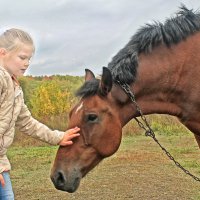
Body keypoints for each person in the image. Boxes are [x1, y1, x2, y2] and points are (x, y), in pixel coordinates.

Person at [0, 28, 80, 199]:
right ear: (3, 53)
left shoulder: (15, 88)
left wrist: (58, 137)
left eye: (29, 59)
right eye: (22, 57)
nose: (27, 63)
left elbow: (27, 123)